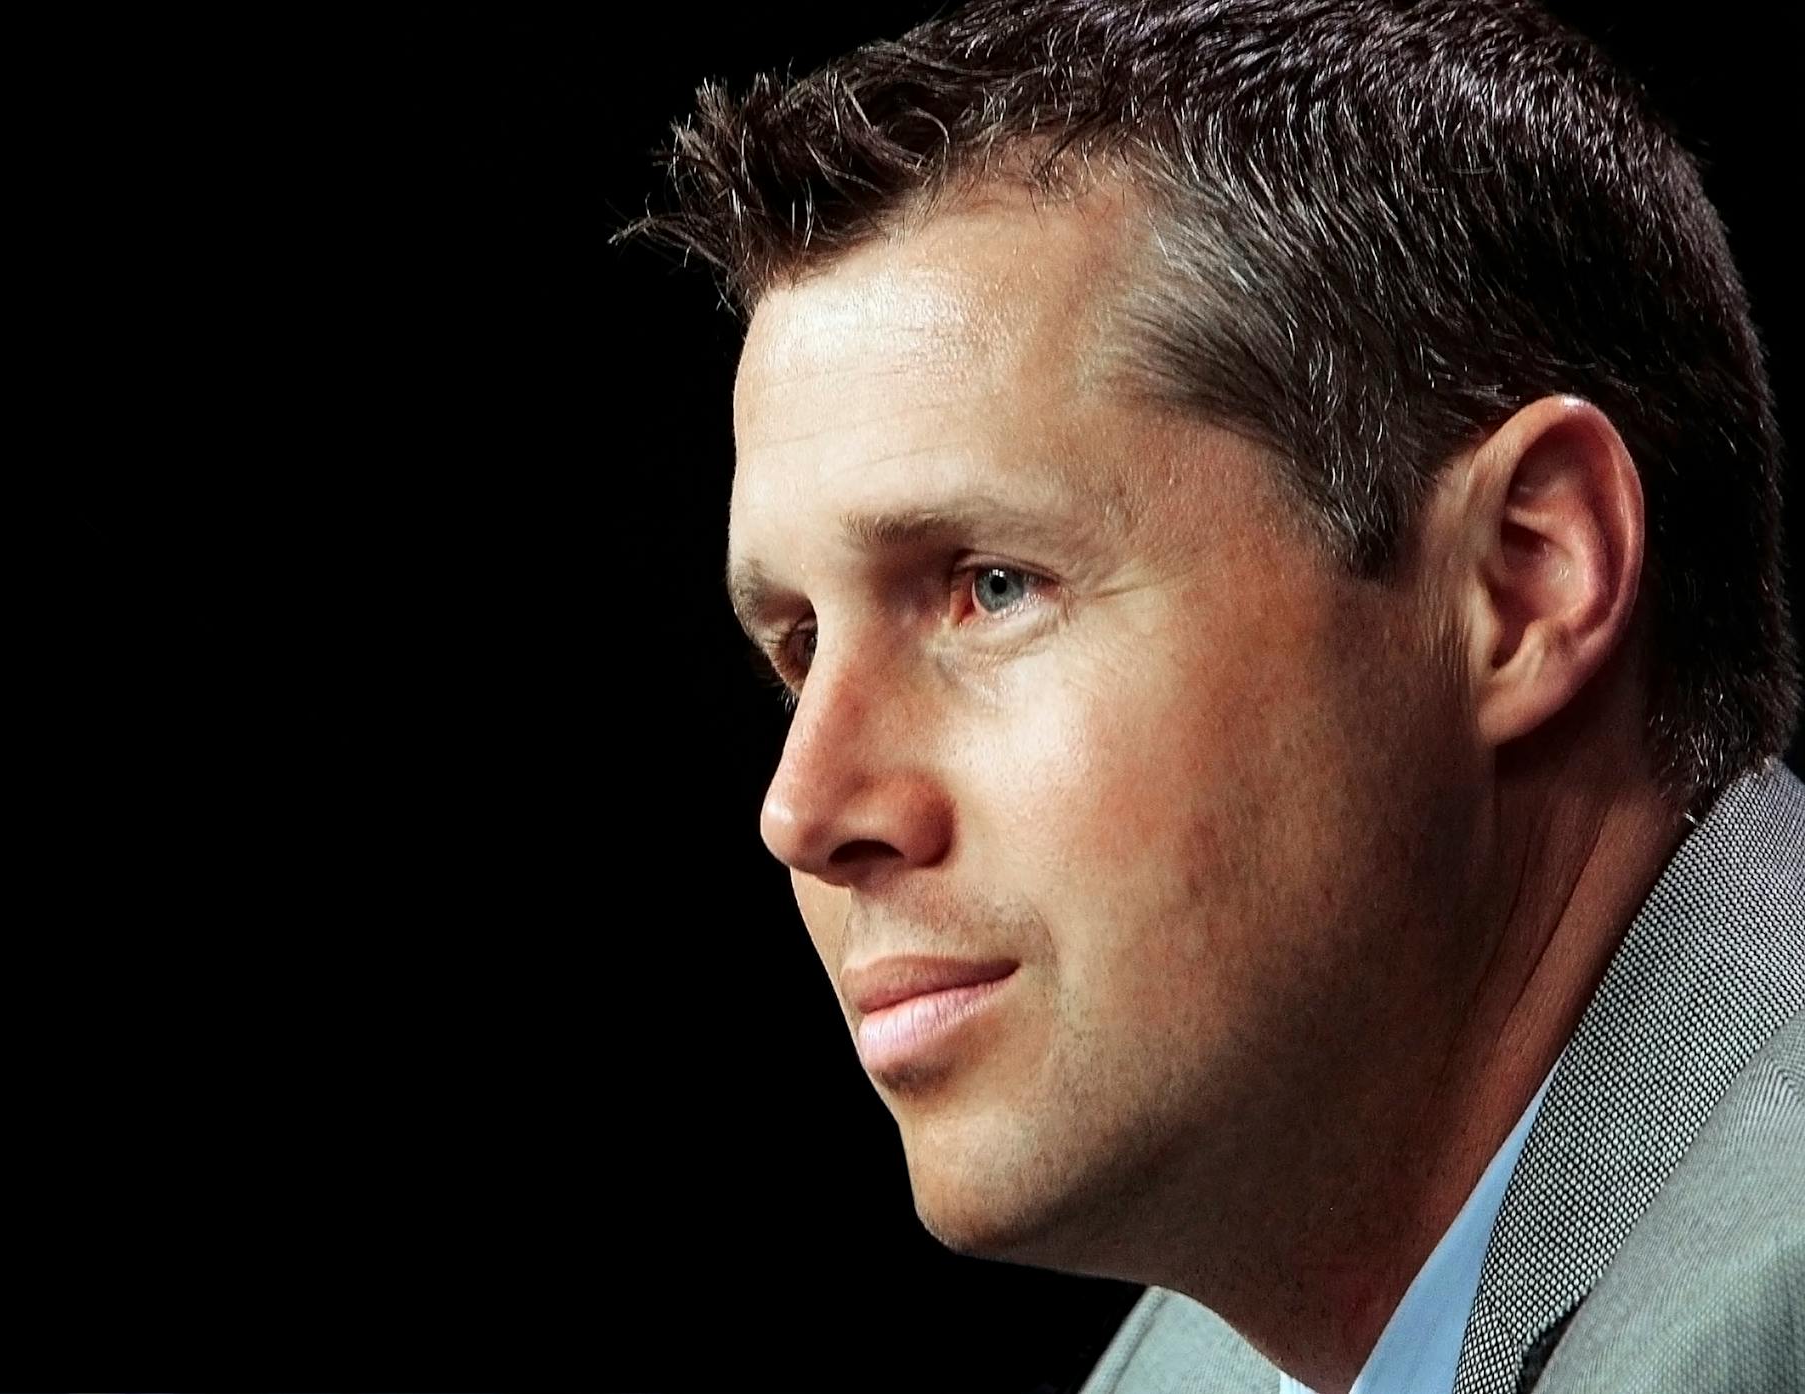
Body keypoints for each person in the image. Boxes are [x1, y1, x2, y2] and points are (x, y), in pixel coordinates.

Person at [616, 1, 1802, 1391]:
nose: (805, 809)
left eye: (993, 584)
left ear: (1524, 582)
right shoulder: (1191, 1362)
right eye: (801, 642)